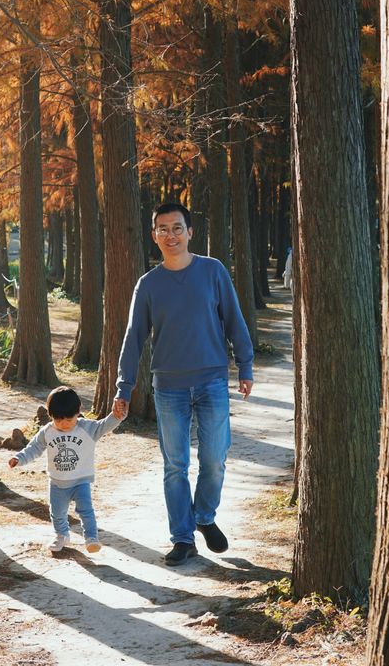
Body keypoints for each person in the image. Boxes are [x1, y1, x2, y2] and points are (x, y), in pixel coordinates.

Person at [113, 202, 254, 567]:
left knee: (215, 460)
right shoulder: (148, 285)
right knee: (175, 466)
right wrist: (123, 387)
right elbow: (134, 337)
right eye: (163, 228)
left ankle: (204, 516)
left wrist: (245, 364)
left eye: (177, 228)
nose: (170, 235)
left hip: (211, 381)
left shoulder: (213, 271)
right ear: (154, 235)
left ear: (190, 232)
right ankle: (183, 537)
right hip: (169, 387)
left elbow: (234, 319)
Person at [9, 385, 124, 554]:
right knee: (57, 513)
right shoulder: (47, 432)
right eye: (59, 420)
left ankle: (91, 538)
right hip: (57, 482)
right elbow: (34, 448)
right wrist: (19, 459)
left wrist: (117, 416)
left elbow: (104, 425)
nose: (64, 424)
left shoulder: (87, 428)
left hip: (81, 481)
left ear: (78, 412)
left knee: (86, 510)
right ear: (50, 415)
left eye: (69, 420)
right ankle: (61, 535)